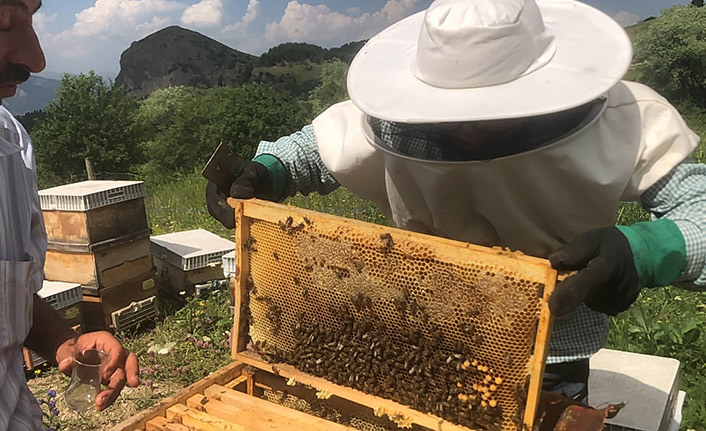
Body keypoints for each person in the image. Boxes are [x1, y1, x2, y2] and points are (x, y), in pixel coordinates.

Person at [207, 0, 705, 401]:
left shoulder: (623, 118)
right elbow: (315, 149)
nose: (466, 129)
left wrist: (644, 251)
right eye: (447, 112)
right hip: (421, 333)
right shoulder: (390, 120)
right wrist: (266, 172)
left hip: (552, 347)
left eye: (490, 112)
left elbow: (699, 209)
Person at [0, 1, 139, 429]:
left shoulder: (12, 145)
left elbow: (10, 300)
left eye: (29, 20)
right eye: (2, 22)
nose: (35, 59)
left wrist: (64, 343)